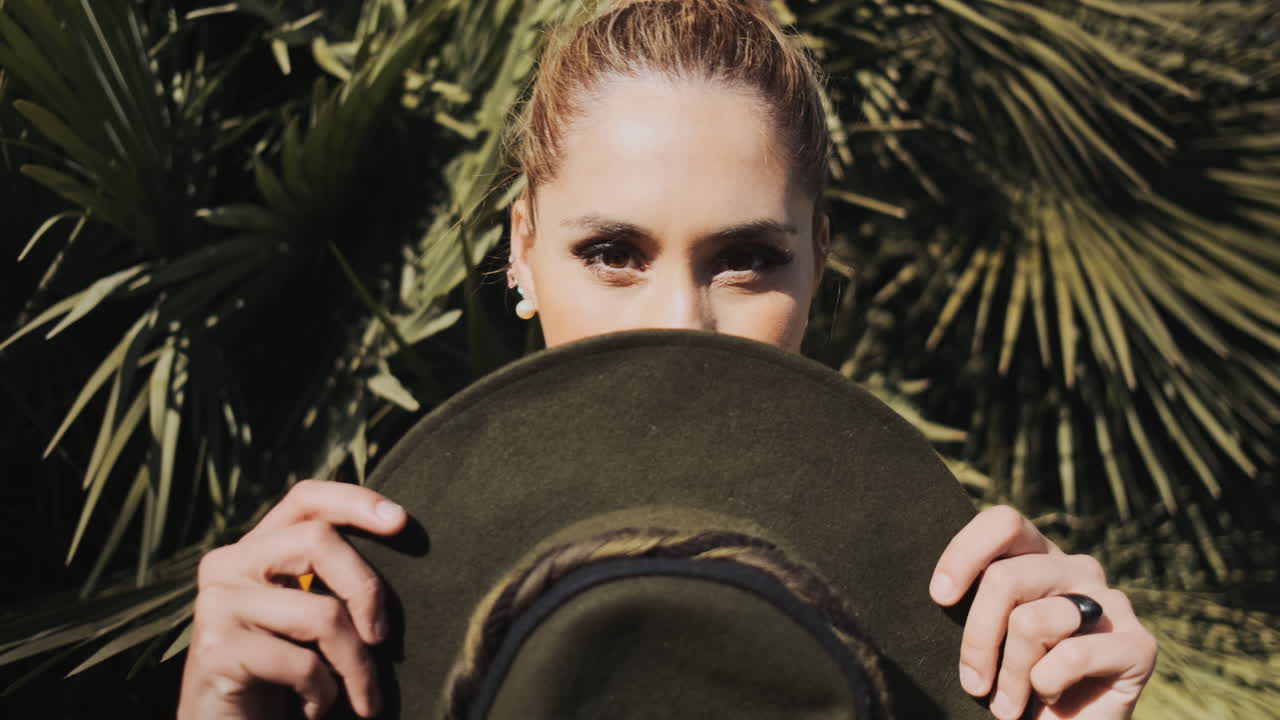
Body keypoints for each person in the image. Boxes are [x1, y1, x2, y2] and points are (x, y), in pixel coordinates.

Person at [176, 1, 1158, 719]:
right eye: (611, 253)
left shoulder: (976, 629)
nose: (680, 321)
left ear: (818, 257)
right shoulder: (339, 637)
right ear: (520, 248)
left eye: (746, 259)